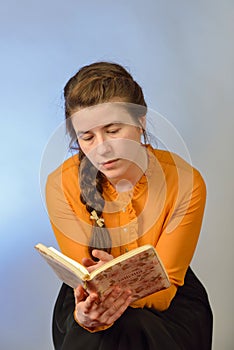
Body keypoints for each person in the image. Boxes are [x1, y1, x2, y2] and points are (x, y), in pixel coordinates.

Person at [45, 61, 213, 350]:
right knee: (100, 331)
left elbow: (166, 288)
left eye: (112, 130)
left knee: (130, 327)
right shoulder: (61, 183)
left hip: (167, 304)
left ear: (140, 122)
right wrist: (88, 313)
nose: (102, 148)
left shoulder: (186, 182)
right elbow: (81, 279)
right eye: (87, 137)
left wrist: (121, 286)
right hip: (89, 301)